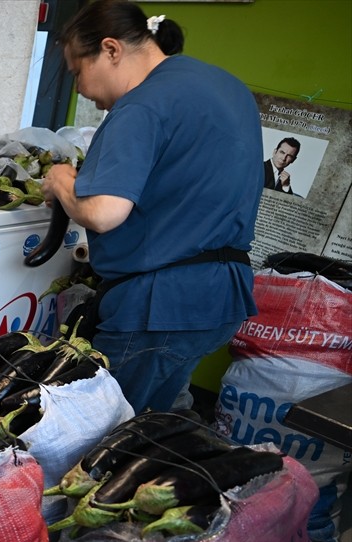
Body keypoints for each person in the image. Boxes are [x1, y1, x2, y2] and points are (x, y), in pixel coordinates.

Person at [41, 0, 260, 413]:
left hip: (158, 311)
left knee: (102, 436)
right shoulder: (222, 84)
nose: (81, 89)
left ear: (110, 50)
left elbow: (104, 212)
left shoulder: (142, 105)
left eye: (77, 73)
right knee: (157, 426)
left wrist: (62, 182)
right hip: (219, 300)